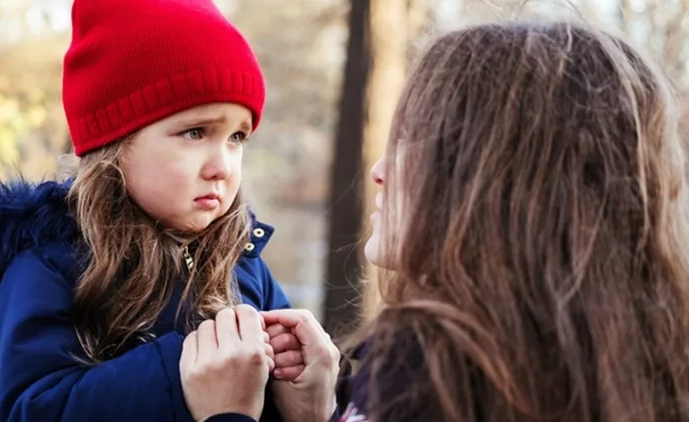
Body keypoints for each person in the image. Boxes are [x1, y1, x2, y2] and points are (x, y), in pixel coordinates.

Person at [269, 19, 689, 422]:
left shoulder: (434, 369)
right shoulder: (643, 365)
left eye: (417, 139)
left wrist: (226, 411)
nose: (380, 170)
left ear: (500, 182)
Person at [0, 0, 311, 421]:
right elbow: (34, 408)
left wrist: (300, 383)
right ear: (114, 142)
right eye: (194, 132)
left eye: (237, 137)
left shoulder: (241, 261)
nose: (222, 167)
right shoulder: (49, 267)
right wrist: (179, 378)